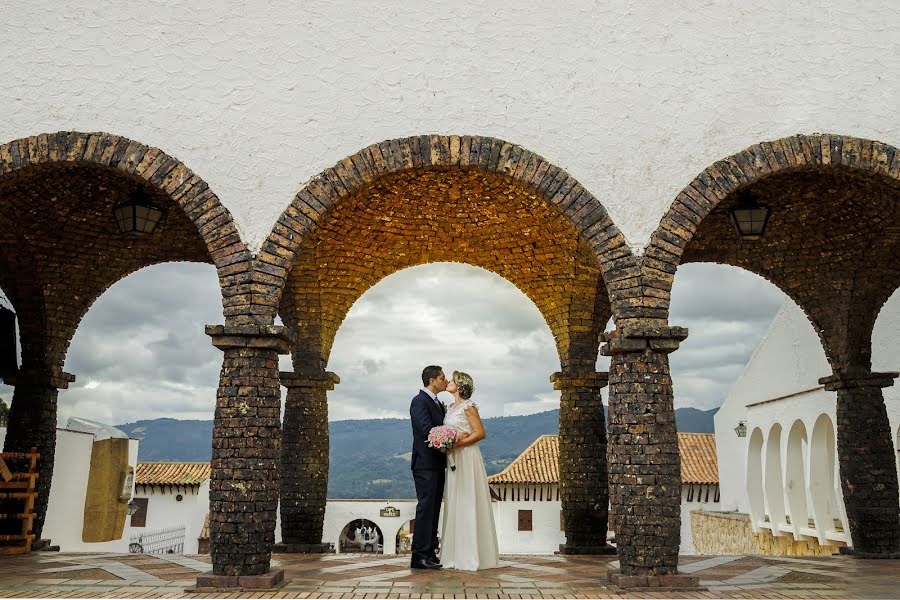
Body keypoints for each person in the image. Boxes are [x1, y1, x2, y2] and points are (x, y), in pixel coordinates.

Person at [440, 370, 500, 571]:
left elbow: (481, 433)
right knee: (455, 500)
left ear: (460, 385)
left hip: (467, 456)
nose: (448, 381)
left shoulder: (469, 406)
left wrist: (457, 444)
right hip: (454, 457)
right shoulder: (449, 408)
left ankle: (470, 555)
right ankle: (454, 555)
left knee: (467, 499)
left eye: (453, 380)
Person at [409, 365, 449, 569]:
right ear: (432, 381)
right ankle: (419, 556)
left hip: (437, 463)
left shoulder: (437, 403)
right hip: (425, 464)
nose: (446, 380)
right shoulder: (419, 401)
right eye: (442, 378)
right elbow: (426, 430)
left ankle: (430, 552)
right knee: (425, 508)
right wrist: (448, 438)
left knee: (434, 509)